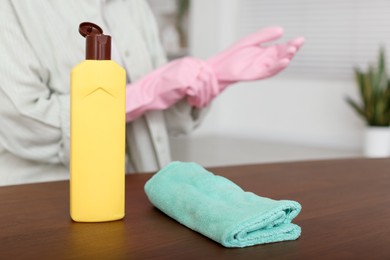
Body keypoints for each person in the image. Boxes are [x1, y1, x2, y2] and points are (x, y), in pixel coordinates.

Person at [0, 0, 303, 186]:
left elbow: (164, 120)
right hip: (45, 200)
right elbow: (24, 126)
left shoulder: (132, 5)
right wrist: (141, 93)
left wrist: (207, 78)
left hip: (144, 189)